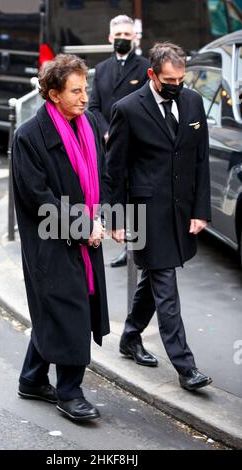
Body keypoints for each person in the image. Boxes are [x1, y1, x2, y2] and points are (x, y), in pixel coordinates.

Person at [106, 42, 213, 391]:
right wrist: (117, 219)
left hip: (181, 212)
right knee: (165, 284)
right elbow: (115, 169)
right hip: (144, 214)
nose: (177, 85)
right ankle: (186, 368)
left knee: (152, 281)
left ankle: (130, 338)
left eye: (181, 78)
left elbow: (200, 160)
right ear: (152, 74)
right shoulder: (127, 109)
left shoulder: (193, 101)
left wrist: (201, 210)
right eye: (169, 79)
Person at [12, 54, 110, 421]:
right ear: (53, 94)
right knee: (70, 311)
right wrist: (85, 228)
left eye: (86, 89)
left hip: (83, 235)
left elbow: (100, 178)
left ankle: (32, 379)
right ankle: (69, 393)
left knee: (57, 311)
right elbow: (40, 199)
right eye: (76, 91)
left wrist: (99, 219)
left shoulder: (88, 124)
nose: (85, 97)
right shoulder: (28, 137)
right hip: (50, 243)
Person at [89, 14, 150, 268]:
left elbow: (147, 106)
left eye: (127, 35)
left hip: (134, 144)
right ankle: (118, 234)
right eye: (118, 36)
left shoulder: (145, 66)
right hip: (107, 145)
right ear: (110, 38)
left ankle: (133, 246)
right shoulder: (102, 69)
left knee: (132, 192)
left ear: (134, 38)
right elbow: (93, 106)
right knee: (111, 190)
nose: (123, 39)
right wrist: (106, 130)